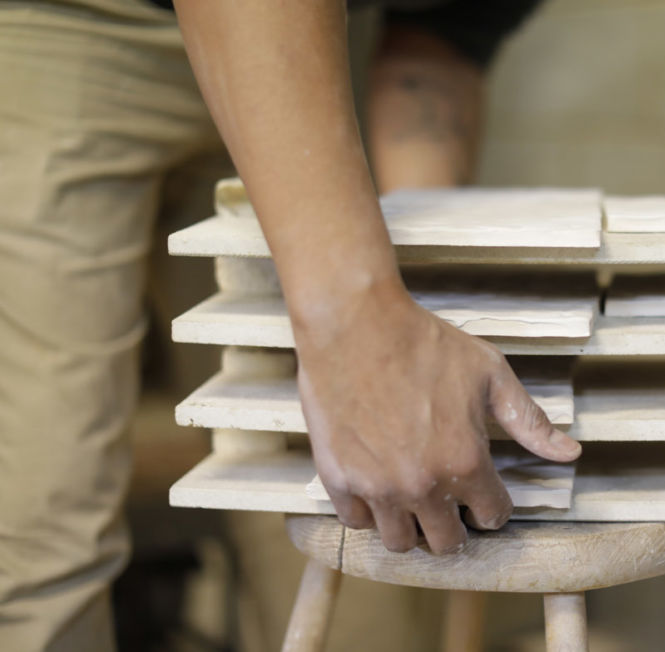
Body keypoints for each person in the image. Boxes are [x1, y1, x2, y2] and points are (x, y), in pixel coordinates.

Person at [0, 0, 581, 649]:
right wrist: (359, 323)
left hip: (317, 39)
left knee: (363, 516)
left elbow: (435, 39)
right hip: (69, 23)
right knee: (41, 529)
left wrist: (420, 311)